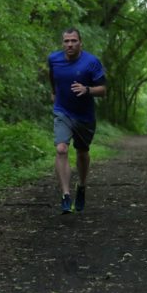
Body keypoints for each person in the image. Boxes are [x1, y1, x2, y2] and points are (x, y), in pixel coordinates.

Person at [48, 28, 106, 214]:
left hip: (85, 116)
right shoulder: (54, 59)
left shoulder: (91, 62)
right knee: (61, 148)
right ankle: (65, 195)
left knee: (82, 152)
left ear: (81, 42)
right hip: (62, 112)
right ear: (62, 43)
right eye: (66, 41)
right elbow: (53, 78)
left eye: (73, 41)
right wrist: (54, 93)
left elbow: (103, 90)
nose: (70, 44)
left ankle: (81, 186)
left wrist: (87, 89)